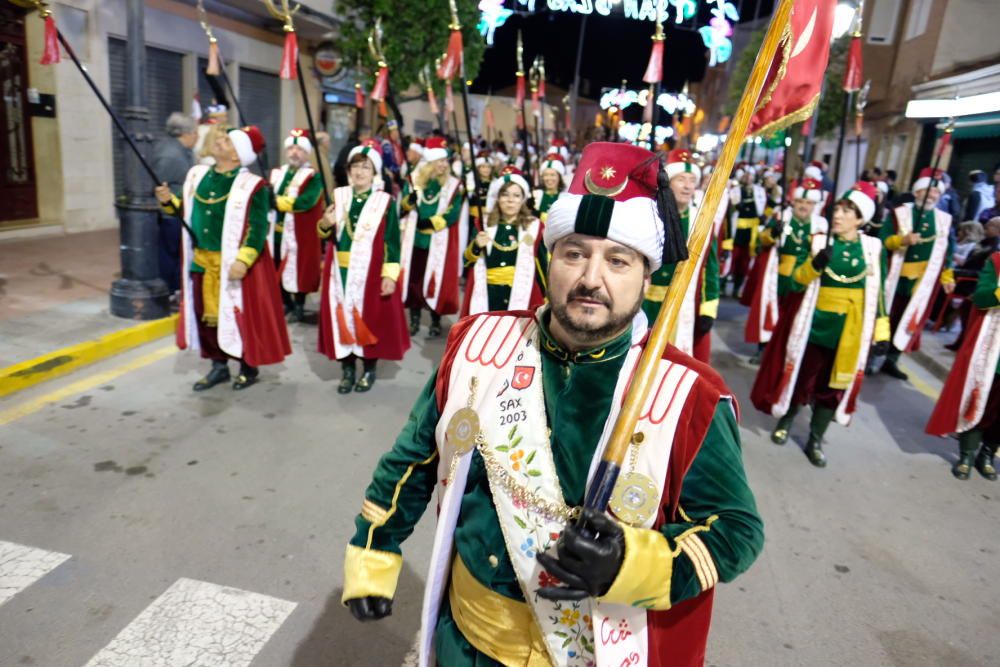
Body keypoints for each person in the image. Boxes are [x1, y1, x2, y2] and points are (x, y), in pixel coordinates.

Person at [342, 142, 763, 666]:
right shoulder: (478, 346)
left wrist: (632, 564)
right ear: (548, 259)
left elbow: (736, 530)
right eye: (574, 253)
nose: (591, 277)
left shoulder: (691, 395)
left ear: (646, 276)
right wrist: (373, 551)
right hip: (465, 641)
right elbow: (413, 459)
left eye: (617, 260)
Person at [751, 183, 889, 467]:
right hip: (815, 326)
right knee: (803, 379)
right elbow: (791, 283)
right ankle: (787, 421)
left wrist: (882, 331)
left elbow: (880, 294)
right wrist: (814, 265)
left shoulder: (873, 249)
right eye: (837, 208)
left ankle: (815, 438)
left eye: (847, 211)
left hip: (850, 332)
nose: (838, 215)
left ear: (860, 219)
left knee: (832, 387)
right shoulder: (818, 242)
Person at [155, 126, 291, 391]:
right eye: (222, 138)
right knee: (205, 318)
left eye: (227, 141)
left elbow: (258, 227)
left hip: (233, 265)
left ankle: (247, 365)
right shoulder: (197, 175)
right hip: (201, 262)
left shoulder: (254, 186)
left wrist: (243, 260)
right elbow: (185, 212)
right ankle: (218, 366)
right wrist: (167, 200)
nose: (219, 141)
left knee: (238, 317)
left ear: (238, 156)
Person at [317, 140, 409, 393]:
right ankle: (347, 369)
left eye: (365, 167)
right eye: (355, 166)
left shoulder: (385, 202)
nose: (359, 172)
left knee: (369, 319)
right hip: (339, 272)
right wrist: (325, 223)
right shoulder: (339, 196)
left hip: (369, 272)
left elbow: (392, 242)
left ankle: (368, 368)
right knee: (341, 319)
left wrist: (390, 274)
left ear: (374, 172)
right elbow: (324, 235)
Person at [643, 148, 722, 363]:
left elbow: (710, 267)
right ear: (669, 182)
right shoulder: (649, 213)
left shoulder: (702, 220)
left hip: (683, 305)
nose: (688, 186)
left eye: (692, 180)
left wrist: (708, 308)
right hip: (645, 303)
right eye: (681, 180)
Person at [927, 251, 1000, 480]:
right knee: (979, 398)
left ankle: (987, 454)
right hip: (993, 346)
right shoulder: (996, 261)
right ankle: (967, 454)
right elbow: (981, 297)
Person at [880, 168, 955, 380]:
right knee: (885, 316)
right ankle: (870, 356)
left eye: (935, 193)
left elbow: (946, 252)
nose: (931, 195)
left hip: (922, 281)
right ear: (917, 192)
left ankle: (892, 359)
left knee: (908, 319)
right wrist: (901, 241)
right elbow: (883, 241)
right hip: (895, 277)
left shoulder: (943, 220)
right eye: (927, 191)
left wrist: (947, 277)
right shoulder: (900, 213)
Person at [744, 178, 828, 359]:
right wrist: (773, 233)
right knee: (771, 311)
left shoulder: (820, 225)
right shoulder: (781, 217)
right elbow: (761, 240)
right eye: (800, 202)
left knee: (793, 317)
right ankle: (763, 349)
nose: (804, 206)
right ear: (794, 202)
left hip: (803, 278)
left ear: (815, 205)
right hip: (778, 275)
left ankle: (784, 352)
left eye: (808, 203)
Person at [399, 136, 464, 337]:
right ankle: (415, 318)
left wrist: (433, 223)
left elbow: (453, 212)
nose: (444, 165)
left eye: (446, 161)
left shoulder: (453, 186)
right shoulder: (415, 181)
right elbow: (402, 207)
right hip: (416, 241)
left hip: (438, 241)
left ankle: (436, 319)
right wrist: (408, 203)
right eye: (440, 161)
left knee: (437, 280)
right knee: (415, 281)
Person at [460, 172, 547, 316]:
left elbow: (543, 265)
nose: (510, 200)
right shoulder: (483, 224)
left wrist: (546, 297)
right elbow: (466, 262)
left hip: (523, 293)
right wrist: (476, 245)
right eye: (505, 195)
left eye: (516, 195)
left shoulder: (535, 227)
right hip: (487, 295)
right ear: (498, 198)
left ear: (523, 200)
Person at [270, 128, 325, 323]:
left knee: (298, 268)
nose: (294, 152)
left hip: (299, 234)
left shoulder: (313, 177)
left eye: (299, 149)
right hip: (276, 233)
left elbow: (307, 201)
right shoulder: (278, 173)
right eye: (291, 148)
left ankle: (299, 305)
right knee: (277, 266)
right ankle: (286, 303)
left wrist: (278, 202)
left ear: (307, 153)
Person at [151, 112, 197, 295]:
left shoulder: (177, 150)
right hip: (170, 214)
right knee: (171, 253)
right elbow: (161, 185)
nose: (197, 136)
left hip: (177, 211)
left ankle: (175, 287)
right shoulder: (171, 155)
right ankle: (170, 289)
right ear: (186, 133)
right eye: (195, 132)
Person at [725, 166, 765, 297]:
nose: (748, 177)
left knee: (744, 262)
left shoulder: (759, 191)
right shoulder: (735, 190)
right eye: (745, 175)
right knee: (732, 259)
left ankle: (737, 288)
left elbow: (763, 207)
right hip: (737, 229)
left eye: (750, 175)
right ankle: (723, 284)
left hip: (751, 231)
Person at [532, 154, 566, 221]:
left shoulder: (565, 198)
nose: (549, 178)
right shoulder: (535, 195)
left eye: (552, 175)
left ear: (559, 177)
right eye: (545, 175)